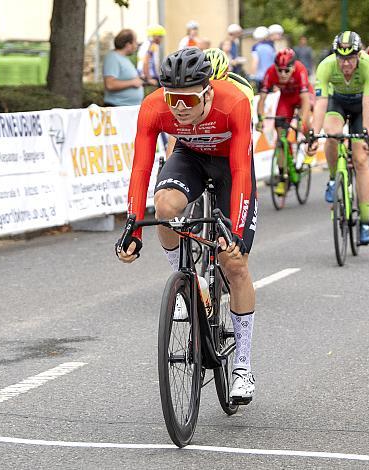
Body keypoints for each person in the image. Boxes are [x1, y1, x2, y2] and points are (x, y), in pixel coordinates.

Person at [117, 48, 258, 403]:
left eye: (189, 99)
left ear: (208, 92)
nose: (179, 107)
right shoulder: (154, 106)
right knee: (165, 207)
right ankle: (186, 280)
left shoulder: (234, 102)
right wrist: (133, 226)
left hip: (230, 166)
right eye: (173, 98)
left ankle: (242, 366)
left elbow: (242, 170)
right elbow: (141, 168)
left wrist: (238, 234)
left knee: (235, 263)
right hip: (190, 159)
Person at [309, 31, 369, 245]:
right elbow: (320, 103)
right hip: (336, 103)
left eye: (350, 58)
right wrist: (313, 134)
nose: (346, 63)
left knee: (361, 159)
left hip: (360, 108)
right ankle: (332, 178)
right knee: (331, 134)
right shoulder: (326, 66)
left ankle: (365, 223)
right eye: (342, 58)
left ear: (359, 55)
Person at [256, 48, 312, 195]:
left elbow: (305, 101)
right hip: (286, 100)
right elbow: (262, 99)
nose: (282, 74)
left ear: (293, 67)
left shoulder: (300, 70)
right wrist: (260, 119)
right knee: (280, 137)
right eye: (279, 70)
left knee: (305, 124)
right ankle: (283, 177)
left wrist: (301, 121)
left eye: (287, 71)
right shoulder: (270, 72)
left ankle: (310, 145)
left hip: (302, 97)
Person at [103, 29, 144, 107]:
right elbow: (110, 84)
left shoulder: (124, 58)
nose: (136, 45)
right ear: (128, 44)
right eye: (135, 42)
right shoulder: (113, 57)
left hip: (126, 108)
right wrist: (132, 82)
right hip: (117, 108)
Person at [251, 26, 276, 90]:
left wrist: (252, 75)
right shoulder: (271, 46)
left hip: (260, 77)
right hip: (271, 76)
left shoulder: (256, 47)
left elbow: (255, 61)